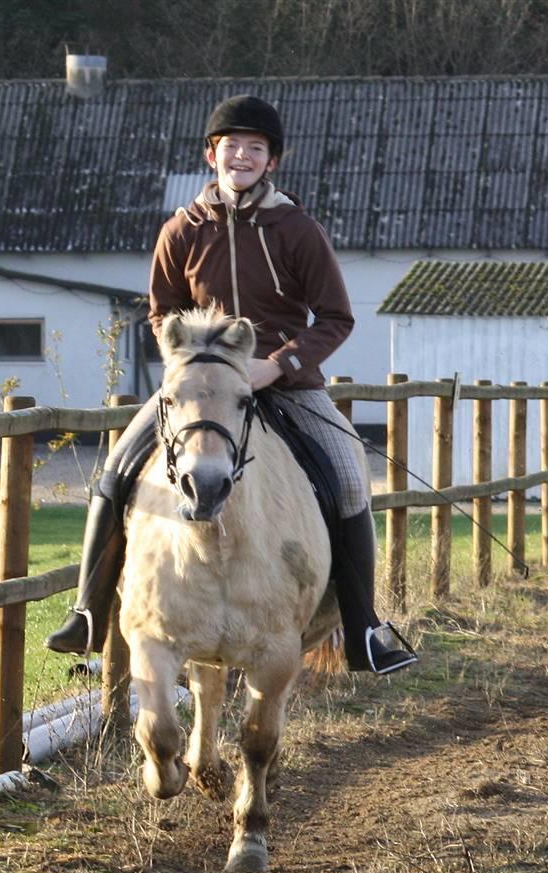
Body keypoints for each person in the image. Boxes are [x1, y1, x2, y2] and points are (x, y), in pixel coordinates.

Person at [46, 94, 416, 675]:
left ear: (272, 162)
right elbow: (161, 313)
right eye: (231, 146)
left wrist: (281, 365)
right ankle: (87, 614)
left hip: (286, 384)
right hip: (200, 388)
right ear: (211, 154)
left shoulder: (297, 230)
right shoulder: (181, 230)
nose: (241, 156)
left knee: (349, 482)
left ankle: (364, 627)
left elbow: (337, 318)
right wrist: (186, 366)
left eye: (256, 148)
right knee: (115, 471)